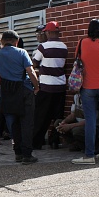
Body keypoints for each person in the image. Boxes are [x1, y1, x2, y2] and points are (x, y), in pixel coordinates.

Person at [71, 18, 99, 165]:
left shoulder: (82, 43)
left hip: (88, 86)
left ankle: (89, 156)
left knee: (90, 120)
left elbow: (79, 63)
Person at [0, 30, 39, 164]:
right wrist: (36, 87)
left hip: (6, 91)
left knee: (14, 124)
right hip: (24, 90)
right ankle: (27, 155)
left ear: (2, 41)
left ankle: (17, 153)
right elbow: (30, 72)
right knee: (27, 123)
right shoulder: (21, 52)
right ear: (16, 41)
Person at [31, 21, 68, 149]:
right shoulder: (64, 46)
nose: (45, 33)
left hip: (46, 85)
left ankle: (36, 142)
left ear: (49, 32)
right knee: (58, 116)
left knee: (41, 115)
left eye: (46, 31)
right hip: (61, 85)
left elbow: (34, 63)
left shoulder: (43, 47)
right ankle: (54, 140)